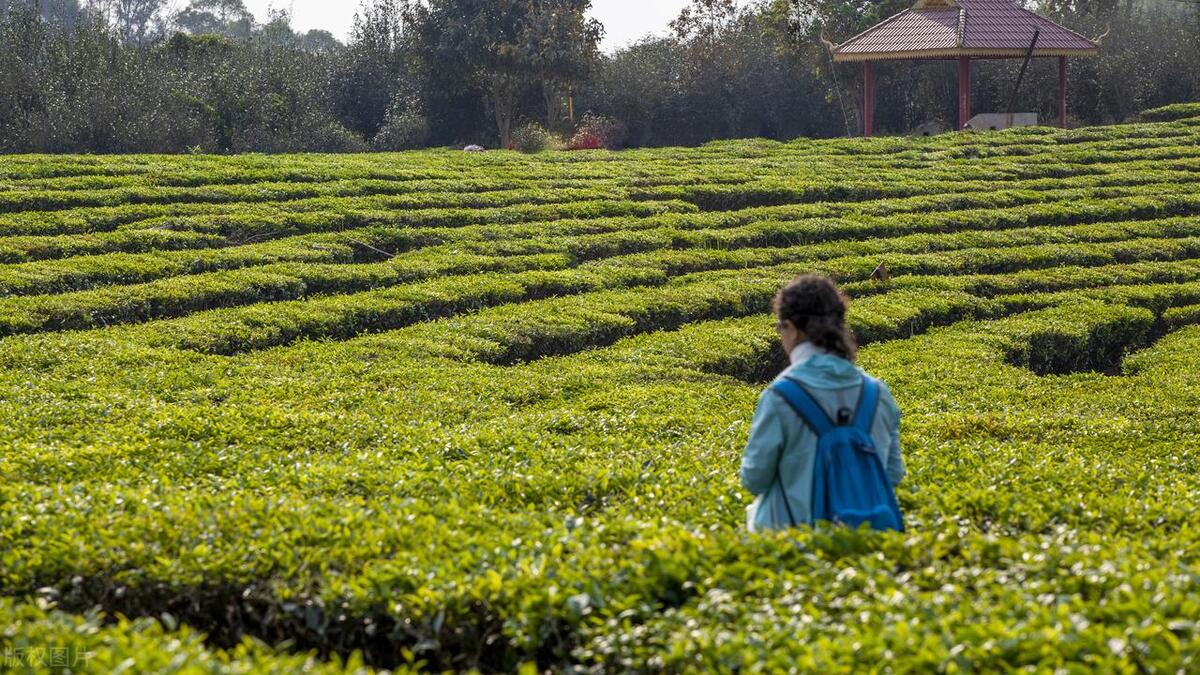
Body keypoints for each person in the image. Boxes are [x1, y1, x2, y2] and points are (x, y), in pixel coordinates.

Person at [741, 275, 904, 532]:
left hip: (793, 541)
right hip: (868, 538)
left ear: (792, 328)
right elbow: (892, 474)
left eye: (780, 328)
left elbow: (755, 478)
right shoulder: (877, 394)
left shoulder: (780, 397)